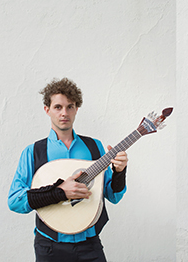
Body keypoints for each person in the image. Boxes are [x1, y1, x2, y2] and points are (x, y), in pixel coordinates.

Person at [8, 78, 128, 262]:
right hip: (49, 246)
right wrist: (60, 193)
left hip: (89, 243)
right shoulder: (33, 152)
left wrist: (120, 171)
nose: (64, 113)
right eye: (58, 107)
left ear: (76, 109)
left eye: (70, 107)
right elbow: (15, 201)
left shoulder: (95, 147)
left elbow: (114, 196)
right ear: (47, 110)